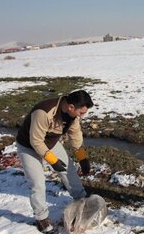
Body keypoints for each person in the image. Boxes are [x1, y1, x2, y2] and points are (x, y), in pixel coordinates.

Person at [16, 90, 94, 233]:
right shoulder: (44, 112)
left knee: (68, 169)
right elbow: (36, 141)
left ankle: (81, 199)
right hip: (28, 146)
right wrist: (53, 161)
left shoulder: (73, 115)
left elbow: (75, 134)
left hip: (50, 142)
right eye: (81, 112)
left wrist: (82, 157)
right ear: (71, 107)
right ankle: (42, 219)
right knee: (37, 183)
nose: (82, 115)